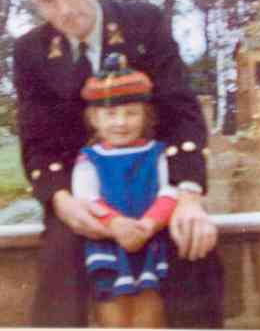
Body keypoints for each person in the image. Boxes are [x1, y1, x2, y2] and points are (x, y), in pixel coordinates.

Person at [4, 0, 223, 328]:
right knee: (61, 260)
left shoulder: (142, 24)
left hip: (151, 184)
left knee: (193, 246)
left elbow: (179, 110)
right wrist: (62, 203)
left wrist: (189, 196)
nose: (64, 9)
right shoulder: (31, 51)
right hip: (82, 193)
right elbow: (37, 141)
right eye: (46, 0)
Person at [73, 52, 177, 328]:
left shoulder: (156, 154)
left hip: (148, 239)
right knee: (112, 310)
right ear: (95, 118)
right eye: (111, 114)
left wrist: (147, 226)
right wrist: (116, 224)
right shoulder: (89, 159)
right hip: (108, 243)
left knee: (149, 307)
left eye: (131, 113)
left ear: (145, 116)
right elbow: (87, 198)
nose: (121, 122)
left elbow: (169, 192)